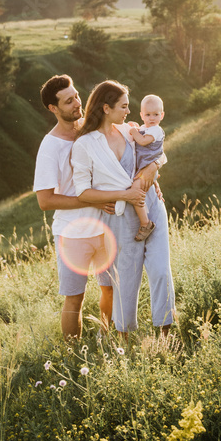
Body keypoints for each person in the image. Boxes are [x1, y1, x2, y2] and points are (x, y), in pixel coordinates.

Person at [33, 74, 143, 341]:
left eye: (77, 97)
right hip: (72, 234)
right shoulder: (50, 147)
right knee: (75, 298)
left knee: (111, 290)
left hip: (107, 227)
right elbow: (45, 201)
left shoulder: (95, 128)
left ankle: (107, 342)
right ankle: (72, 355)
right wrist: (92, 199)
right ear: (53, 109)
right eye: (68, 101)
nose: (77, 104)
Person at [71, 80, 175, 336]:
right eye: (124, 106)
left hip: (152, 203)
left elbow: (157, 150)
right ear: (106, 108)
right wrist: (124, 194)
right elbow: (83, 192)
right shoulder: (85, 144)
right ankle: (124, 340)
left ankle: (166, 337)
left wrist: (154, 167)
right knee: (125, 283)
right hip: (120, 216)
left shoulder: (130, 130)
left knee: (161, 271)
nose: (129, 111)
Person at [127, 94, 166, 241]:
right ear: (142, 115)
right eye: (148, 114)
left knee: (135, 191)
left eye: (156, 114)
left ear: (161, 115)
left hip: (148, 168)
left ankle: (146, 223)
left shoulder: (156, 130)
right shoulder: (144, 127)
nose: (152, 118)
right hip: (144, 168)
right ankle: (143, 219)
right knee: (137, 190)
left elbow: (142, 141)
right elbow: (140, 132)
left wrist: (133, 132)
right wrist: (135, 127)